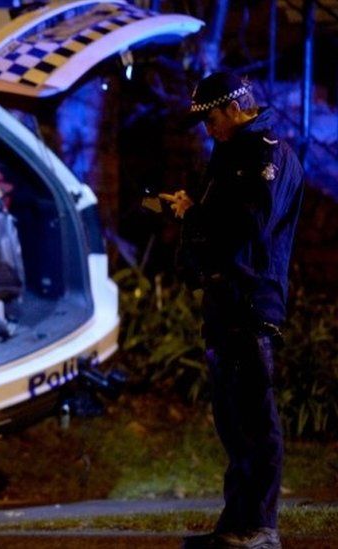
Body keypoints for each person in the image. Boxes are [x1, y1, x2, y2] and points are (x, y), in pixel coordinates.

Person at [160, 72, 304, 549]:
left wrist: (195, 214)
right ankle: (236, 526)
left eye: (211, 118)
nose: (207, 129)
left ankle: (261, 527)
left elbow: (251, 225)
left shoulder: (267, 152)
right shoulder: (233, 153)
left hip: (250, 301)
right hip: (225, 300)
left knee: (255, 419)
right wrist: (191, 213)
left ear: (234, 107)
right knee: (233, 421)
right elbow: (225, 221)